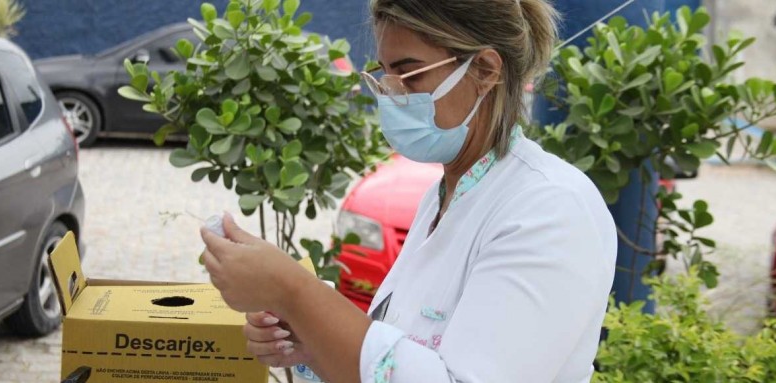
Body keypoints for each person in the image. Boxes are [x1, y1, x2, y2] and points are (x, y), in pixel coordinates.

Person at [199, 0, 618, 381]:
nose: (393, 94)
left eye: (409, 72)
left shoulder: (552, 208)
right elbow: (400, 355)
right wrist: (307, 334)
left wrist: (295, 291)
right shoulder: (446, 196)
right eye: (385, 74)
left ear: (486, 71)